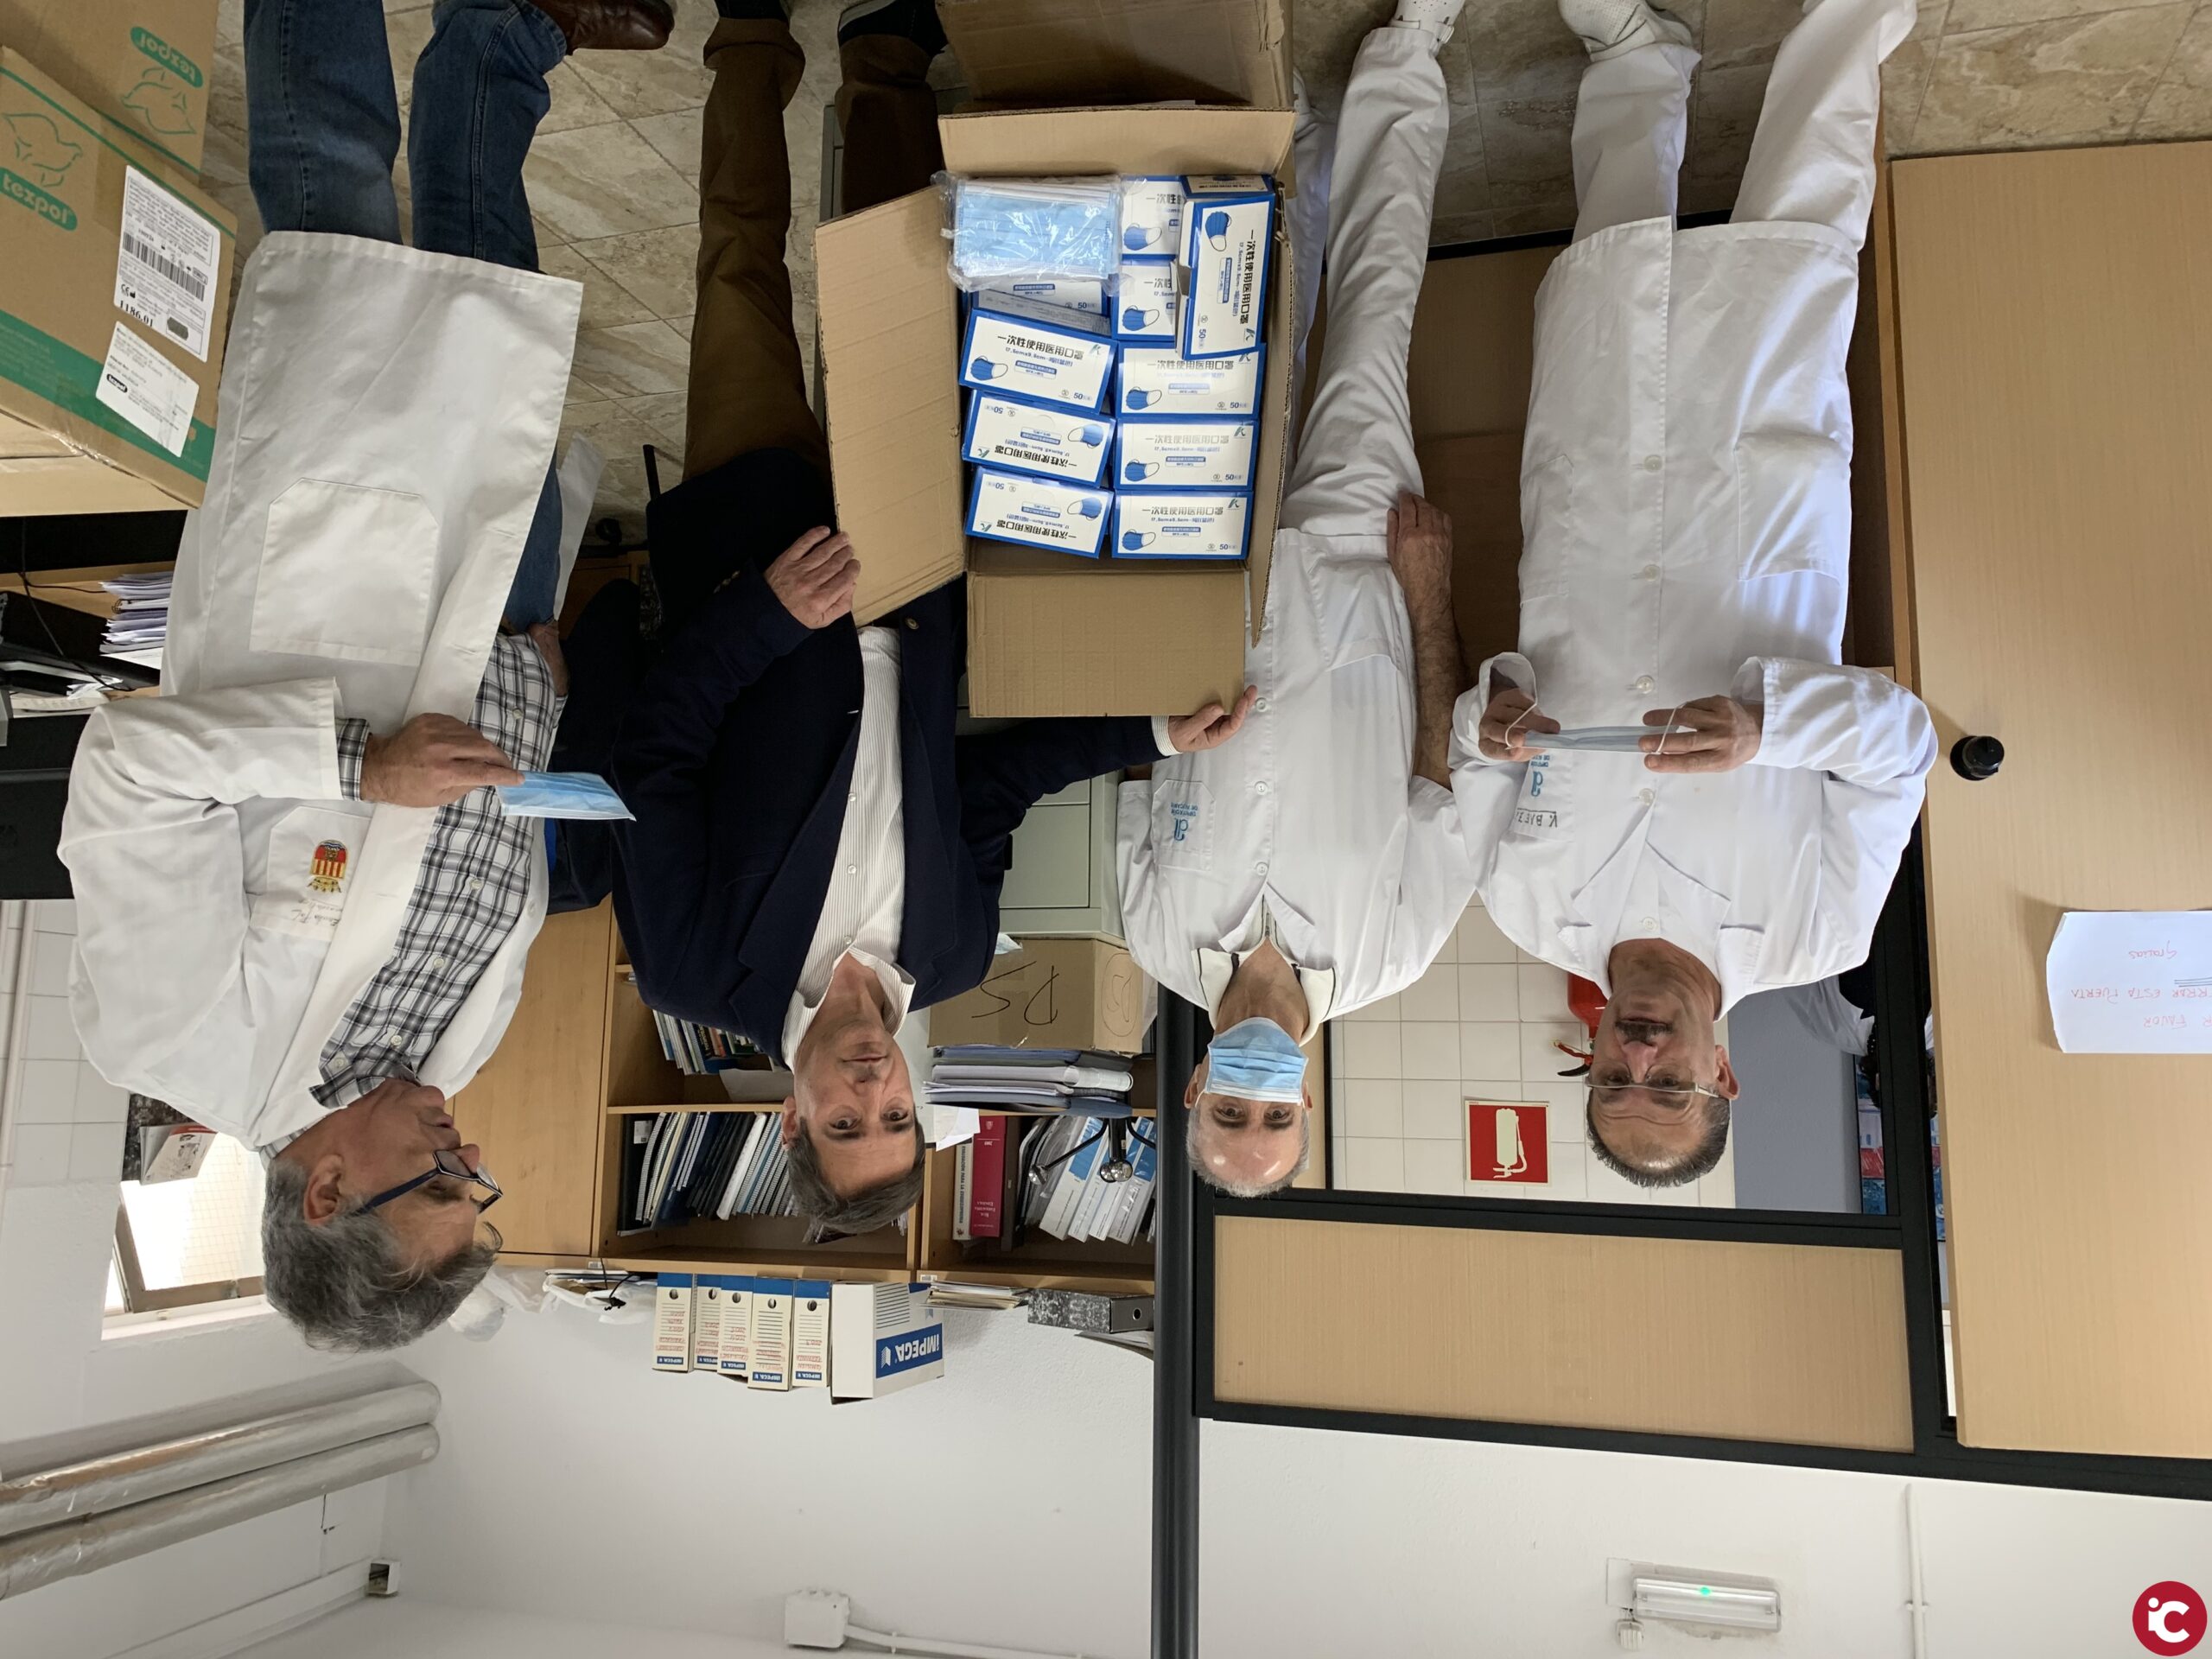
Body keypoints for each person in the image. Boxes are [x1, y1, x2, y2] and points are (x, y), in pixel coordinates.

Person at [59, 0, 672, 1351]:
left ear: (327, 1191)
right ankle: (503, 36)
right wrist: (535, 692)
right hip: (497, 621)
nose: (468, 1154)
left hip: (337, 574)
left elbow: (127, 772)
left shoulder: (172, 1038)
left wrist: (358, 769)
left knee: (331, 193)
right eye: (476, 1186)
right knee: (493, 294)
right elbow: (478, 869)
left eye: (439, 1182)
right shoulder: (449, 1059)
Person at [609, 0, 1250, 1239]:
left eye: (844, 1124)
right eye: (896, 1117)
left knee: (740, 274)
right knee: (897, 293)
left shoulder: (695, 969)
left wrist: (769, 616)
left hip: (756, 559)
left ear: (790, 1120)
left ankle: (750, 36)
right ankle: (886, 58)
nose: (870, 1093)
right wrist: (1150, 737)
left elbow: (654, 754)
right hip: (907, 575)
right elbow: (993, 789)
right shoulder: (949, 955)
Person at [1454, 0, 1938, 1190]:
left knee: (1613, 290)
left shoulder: (1522, 905)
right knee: (1800, 245)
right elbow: (1901, 751)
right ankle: (1850, 19)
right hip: (1754, 516)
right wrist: (1770, 730)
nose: (1640, 1058)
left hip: (1591, 525)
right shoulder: (1820, 930)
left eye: (1613, 1082)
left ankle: (1636, 56)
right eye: (1669, 1086)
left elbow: (1476, 745)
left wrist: (1495, 712)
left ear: (1588, 1060)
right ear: (1723, 1072)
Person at [1115, 0, 1480, 1199]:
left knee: (1251, 344)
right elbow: (1443, 775)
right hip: (1366, 583)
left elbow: (1131, 757)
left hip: (1212, 582)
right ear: (1307, 1102)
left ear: (1192, 1090)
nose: (1256, 1090)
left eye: (1233, 1108)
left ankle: (1293, 135)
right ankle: (1410, 52)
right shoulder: (1396, 952)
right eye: (1275, 1114)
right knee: (1374, 318)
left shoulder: (1153, 933)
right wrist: (1429, 596)